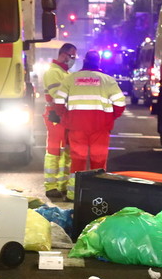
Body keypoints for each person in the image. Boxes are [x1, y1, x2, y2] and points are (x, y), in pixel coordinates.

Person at [52, 50, 127, 201]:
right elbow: (120, 104)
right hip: (100, 127)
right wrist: (110, 117)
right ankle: (95, 195)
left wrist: (65, 116)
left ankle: (74, 194)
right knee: (98, 162)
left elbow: (58, 102)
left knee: (77, 160)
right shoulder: (107, 80)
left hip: (76, 127)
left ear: (84, 61)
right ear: (98, 62)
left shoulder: (71, 79)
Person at [41, 43, 77, 200]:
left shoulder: (64, 72)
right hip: (55, 116)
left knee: (66, 152)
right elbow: (58, 96)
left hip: (65, 117)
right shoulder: (53, 72)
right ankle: (51, 186)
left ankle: (62, 185)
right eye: (72, 56)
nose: (73, 59)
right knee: (54, 151)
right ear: (64, 55)